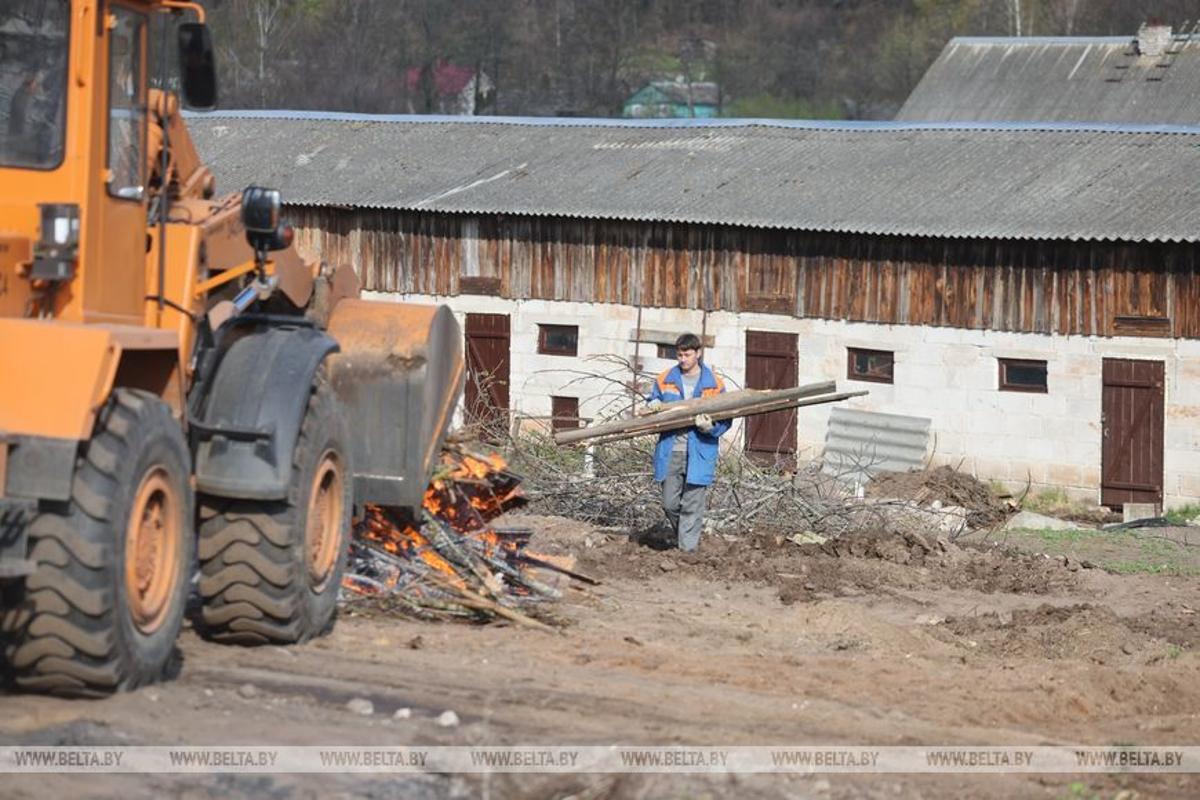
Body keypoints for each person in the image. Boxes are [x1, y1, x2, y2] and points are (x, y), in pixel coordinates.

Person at [645, 333, 730, 551]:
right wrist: (652, 404)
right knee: (669, 503)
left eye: (687, 354)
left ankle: (686, 552)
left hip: (699, 452)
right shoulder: (665, 379)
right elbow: (651, 403)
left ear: (698, 353)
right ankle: (684, 536)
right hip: (671, 450)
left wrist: (710, 428)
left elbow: (726, 419)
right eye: (680, 354)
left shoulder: (714, 384)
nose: (683, 359)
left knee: (692, 506)